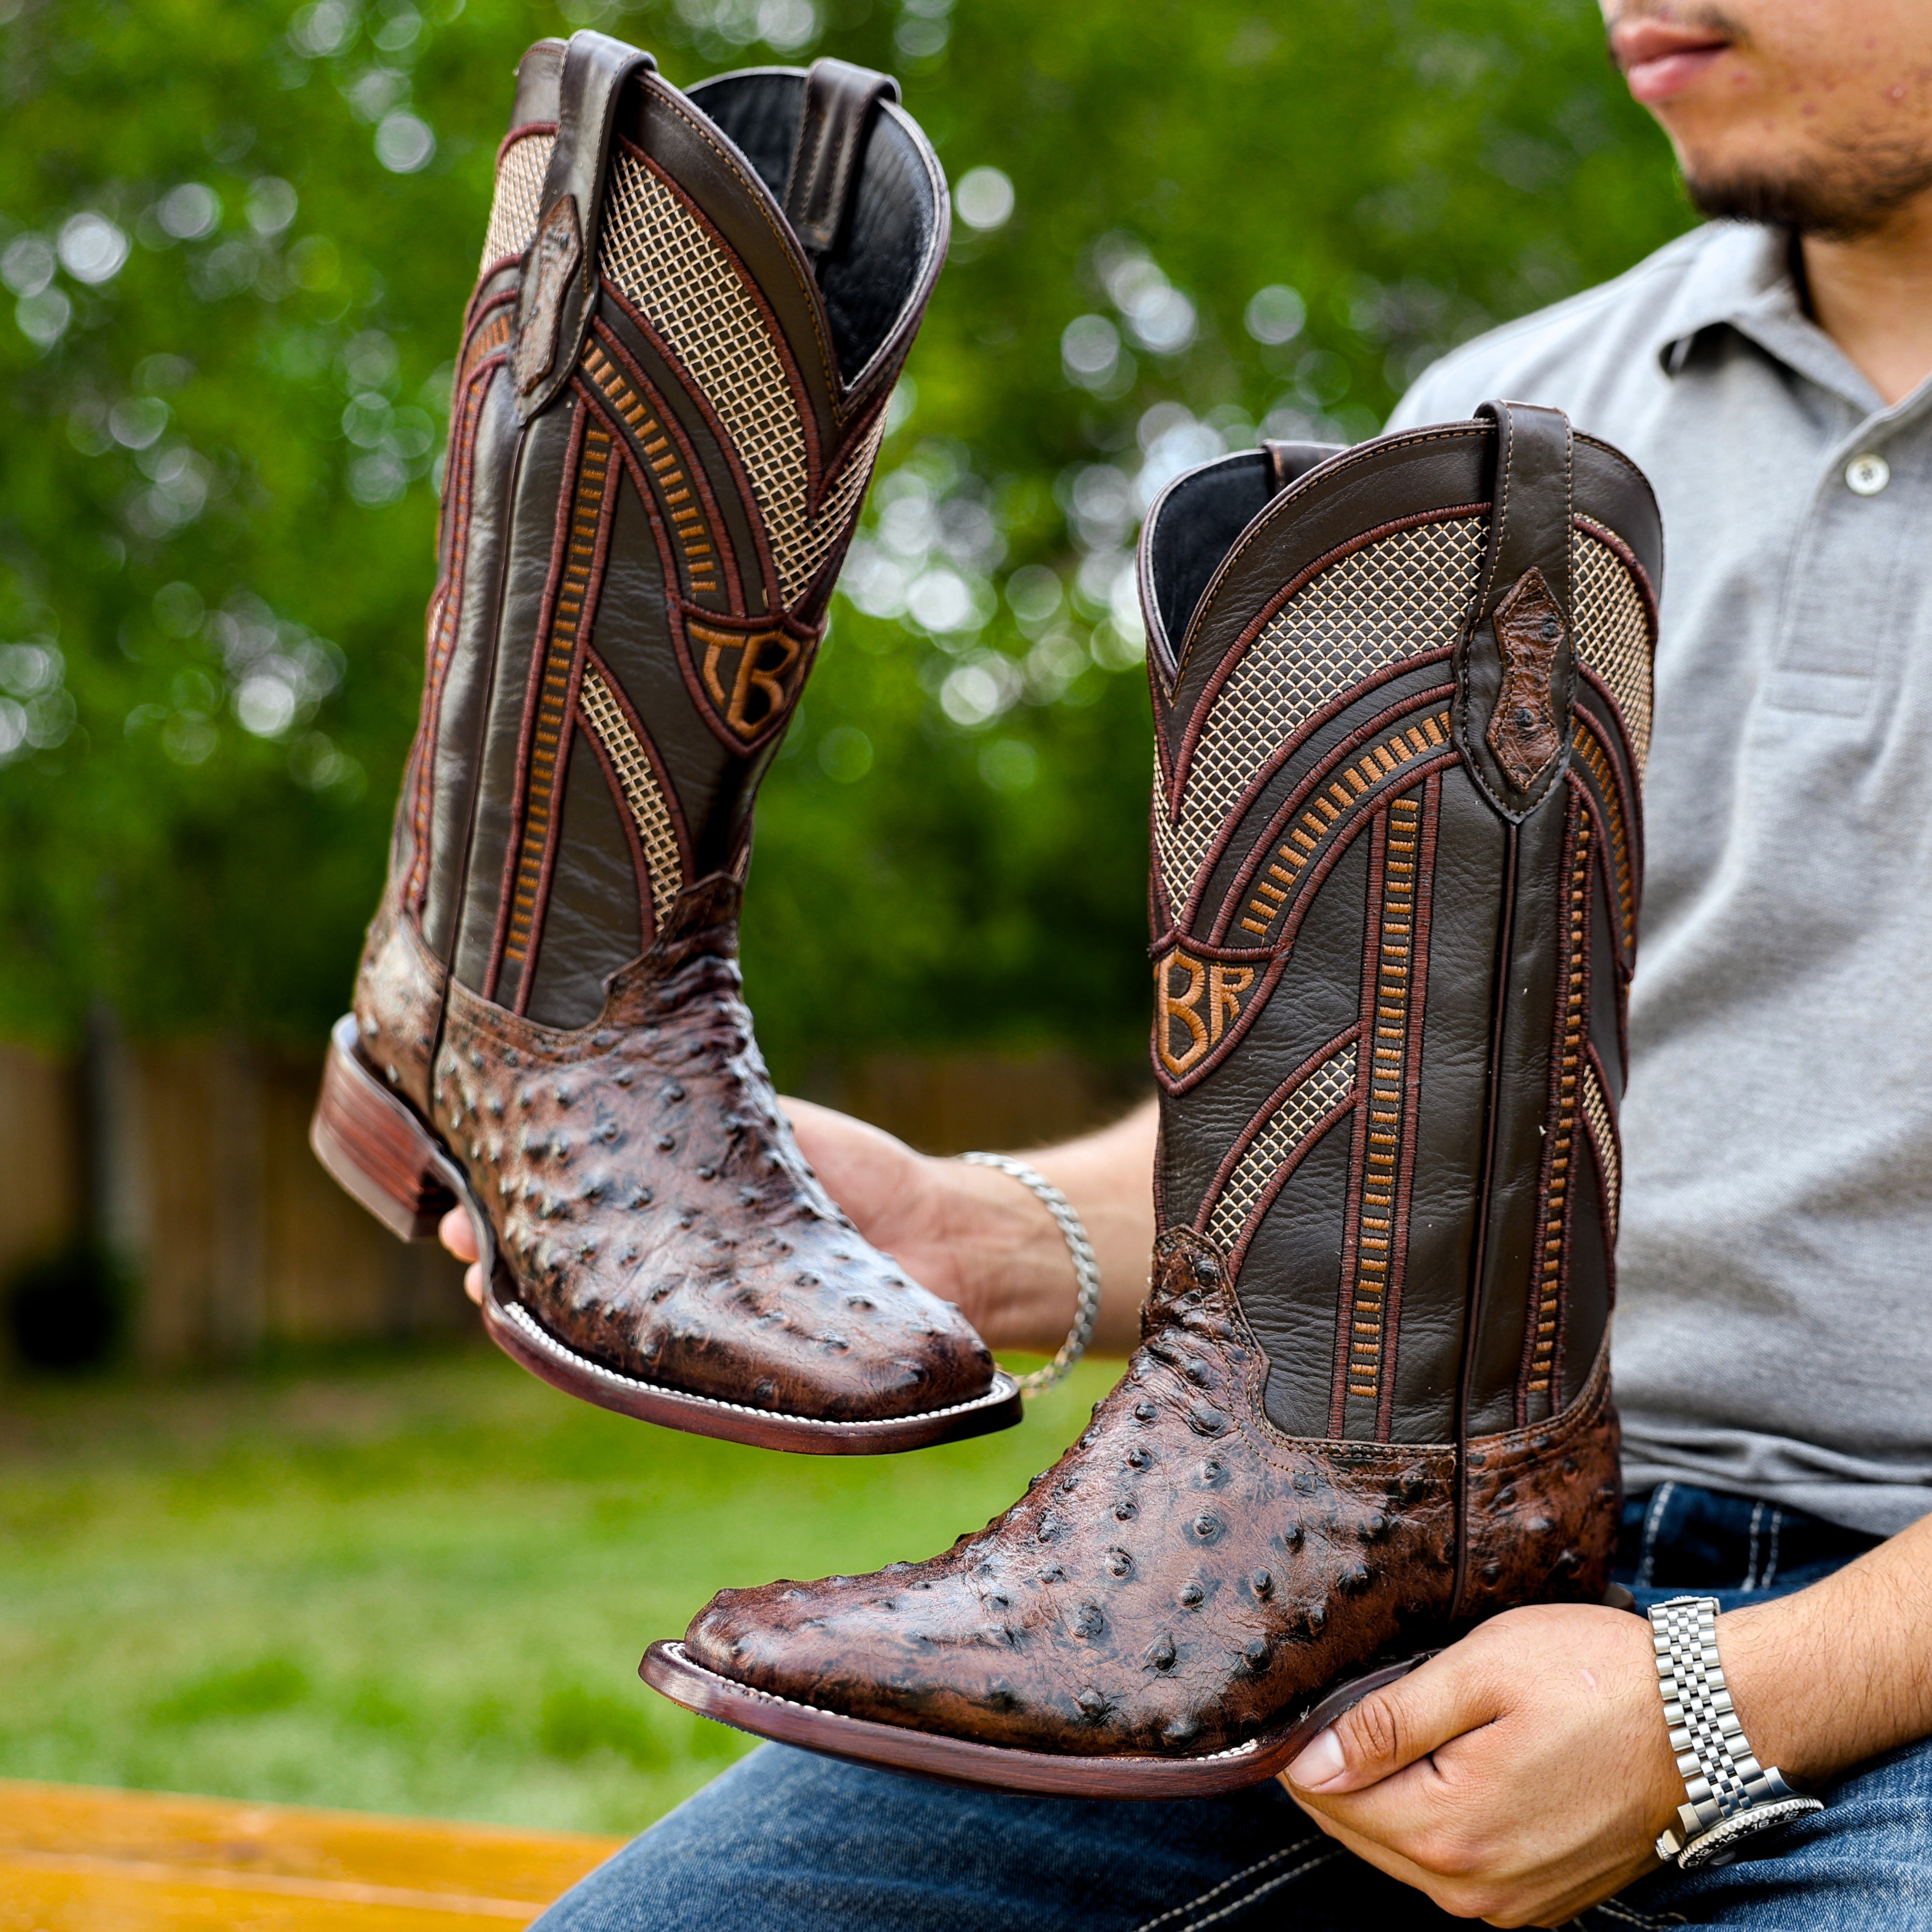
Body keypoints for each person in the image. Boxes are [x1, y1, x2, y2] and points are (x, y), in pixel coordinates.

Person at [445, 1, 1932, 1922]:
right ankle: (463, 1013)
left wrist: (1716, 1706)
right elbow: (1401, 1136)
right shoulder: (1523, 423)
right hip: (1390, 1569)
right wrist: (971, 1228)